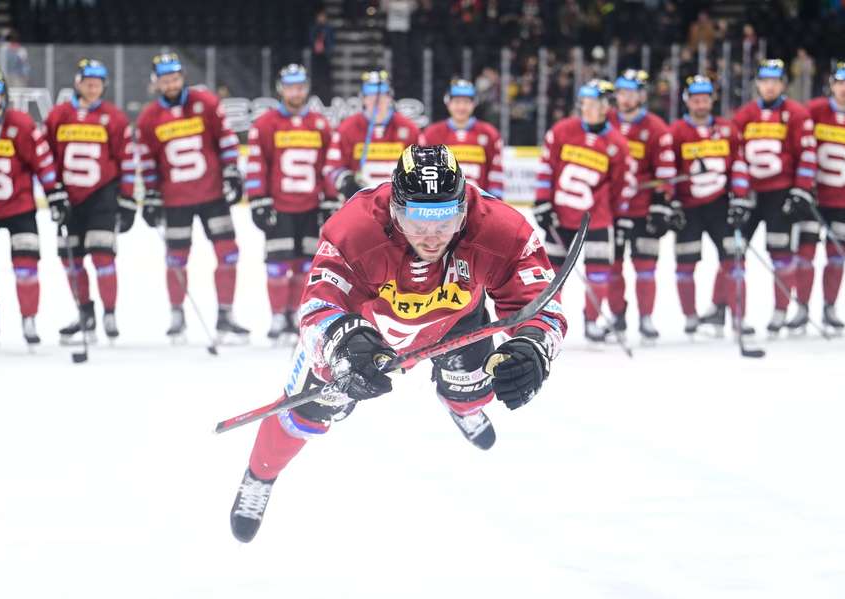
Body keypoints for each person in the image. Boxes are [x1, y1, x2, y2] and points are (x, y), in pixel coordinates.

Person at [229, 145, 566, 543]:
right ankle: (260, 475)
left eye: (444, 219)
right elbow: (318, 304)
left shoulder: (500, 229)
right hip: (365, 333)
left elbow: (541, 301)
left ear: (463, 207)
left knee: (477, 388)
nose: (431, 235)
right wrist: (342, 344)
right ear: (393, 207)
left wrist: (534, 346)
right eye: (416, 219)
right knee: (308, 412)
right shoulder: (355, 229)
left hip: (454, 320)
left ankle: (460, 404)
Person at [121, 53, 249, 343]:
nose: (171, 84)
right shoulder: (148, 119)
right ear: (156, 82)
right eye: (165, 79)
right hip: (174, 200)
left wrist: (231, 172)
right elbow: (148, 162)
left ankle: (226, 315)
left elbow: (227, 140)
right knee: (176, 258)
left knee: (228, 253)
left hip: (212, 195)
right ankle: (177, 315)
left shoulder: (205, 103)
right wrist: (151, 195)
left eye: (175, 78)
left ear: (182, 78)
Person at [0, 68, 68, 347]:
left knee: (26, 267)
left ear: (3, 97)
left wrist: (55, 195)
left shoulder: (21, 124)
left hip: (20, 208)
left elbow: (43, 163)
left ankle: (29, 319)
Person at [534, 79, 630, 342]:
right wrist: (543, 202)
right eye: (584, 104)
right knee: (552, 273)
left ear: (607, 106)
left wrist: (617, 218)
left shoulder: (617, 145)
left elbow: (620, 188)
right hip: (560, 216)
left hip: (597, 219)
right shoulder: (562, 131)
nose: (587, 109)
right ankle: (549, 322)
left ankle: (592, 321)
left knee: (599, 272)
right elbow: (546, 169)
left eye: (593, 104)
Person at [44, 59, 132, 344]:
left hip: (102, 196)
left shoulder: (115, 118)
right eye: (88, 83)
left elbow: (127, 160)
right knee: (72, 262)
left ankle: (110, 313)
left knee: (103, 257)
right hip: (68, 199)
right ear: (78, 83)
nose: (92, 89)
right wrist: (53, 191)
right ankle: (85, 312)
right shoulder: (58, 114)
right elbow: (46, 158)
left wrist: (128, 199)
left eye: (97, 84)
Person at [245, 64, 332, 341]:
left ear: (307, 88)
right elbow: (257, 163)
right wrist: (258, 199)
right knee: (278, 266)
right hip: (279, 207)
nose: (296, 92)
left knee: (306, 266)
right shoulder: (266, 124)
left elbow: (328, 165)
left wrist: (329, 201)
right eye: (290, 87)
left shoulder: (320, 124)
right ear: (281, 89)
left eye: (300, 86)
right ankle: (276, 317)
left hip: (310, 207)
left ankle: (297, 317)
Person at [730, 59, 817, 335]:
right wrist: (738, 193)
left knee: (781, 254)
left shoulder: (796, 114)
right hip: (751, 195)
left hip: (780, 194)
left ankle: (780, 310)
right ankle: (732, 311)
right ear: (757, 83)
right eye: (764, 80)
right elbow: (735, 155)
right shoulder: (744, 115)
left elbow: (807, 155)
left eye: (775, 81)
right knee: (734, 251)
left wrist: (801, 190)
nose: (769, 86)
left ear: (783, 84)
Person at [668, 75, 751, 336]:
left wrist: (739, 196)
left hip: (720, 206)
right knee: (685, 265)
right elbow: (668, 170)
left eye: (705, 99)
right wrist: (670, 202)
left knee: (735, 261)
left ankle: (738, 317)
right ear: (687, 101)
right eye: (696, 99)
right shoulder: (676, 132)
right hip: (688, 209)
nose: (701, 104)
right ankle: (690, 317)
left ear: (711, 100)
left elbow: (738, 164)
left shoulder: (728, 129)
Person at [798, 62, 845, 333]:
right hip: (813, 198)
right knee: (804, 255)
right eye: (840, 83)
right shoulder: (813, 111)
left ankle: (830, 307)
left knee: (837, 257)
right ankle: (802, 308)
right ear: (832, 84)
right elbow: (801, 147)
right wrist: (801, 186)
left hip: (844, 200)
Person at [606, 69, 678, 342]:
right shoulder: (606, 122)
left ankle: (646, 318)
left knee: (645, 267)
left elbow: (667, 172)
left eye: (632, 93)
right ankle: (617, 316)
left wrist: (661, 204)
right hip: (612, 210)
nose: (626, 99)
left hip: (642, 210)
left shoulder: (656, 128)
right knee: (612, 266)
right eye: (622, 93)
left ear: (642, 96)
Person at [323, 70, 420, 205]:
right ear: (363, 98)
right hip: (360, 205)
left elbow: (420, 168)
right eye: (371, 96)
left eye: (382, 96)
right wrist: (346, 181)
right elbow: (330, 169)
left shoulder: (409, 129)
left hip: (398, 207)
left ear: (390, 97)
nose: (376, 102)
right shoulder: (347, 128)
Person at [420, 78, 504, 198]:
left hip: (479, 202)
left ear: (474, 103)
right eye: (457, 102)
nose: (461, 107)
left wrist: (494, 201)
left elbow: (496, 173)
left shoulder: (489, 133)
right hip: (442, 204)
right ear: (448, 102)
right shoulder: (432, 134)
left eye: (466, 102)